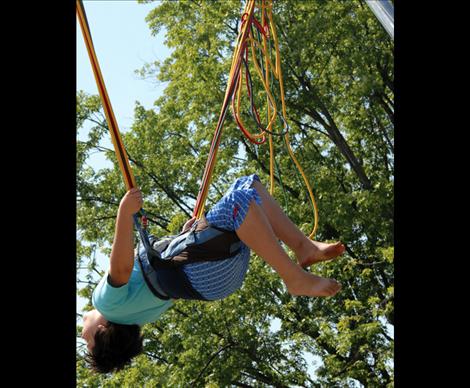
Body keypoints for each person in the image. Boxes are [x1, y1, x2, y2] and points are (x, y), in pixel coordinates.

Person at [81, 174, 345, 373]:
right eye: (87, 342)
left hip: (217, 282)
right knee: (240, 202)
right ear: (102, 331)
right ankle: (294, 278)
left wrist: (188, 237)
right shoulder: (106, 304)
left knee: (248, 185)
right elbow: (122, 268)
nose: (82, 336)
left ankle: (305, 248)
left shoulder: (139, 316)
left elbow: (162, 274)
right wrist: (123, 214)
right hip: (202, 270)